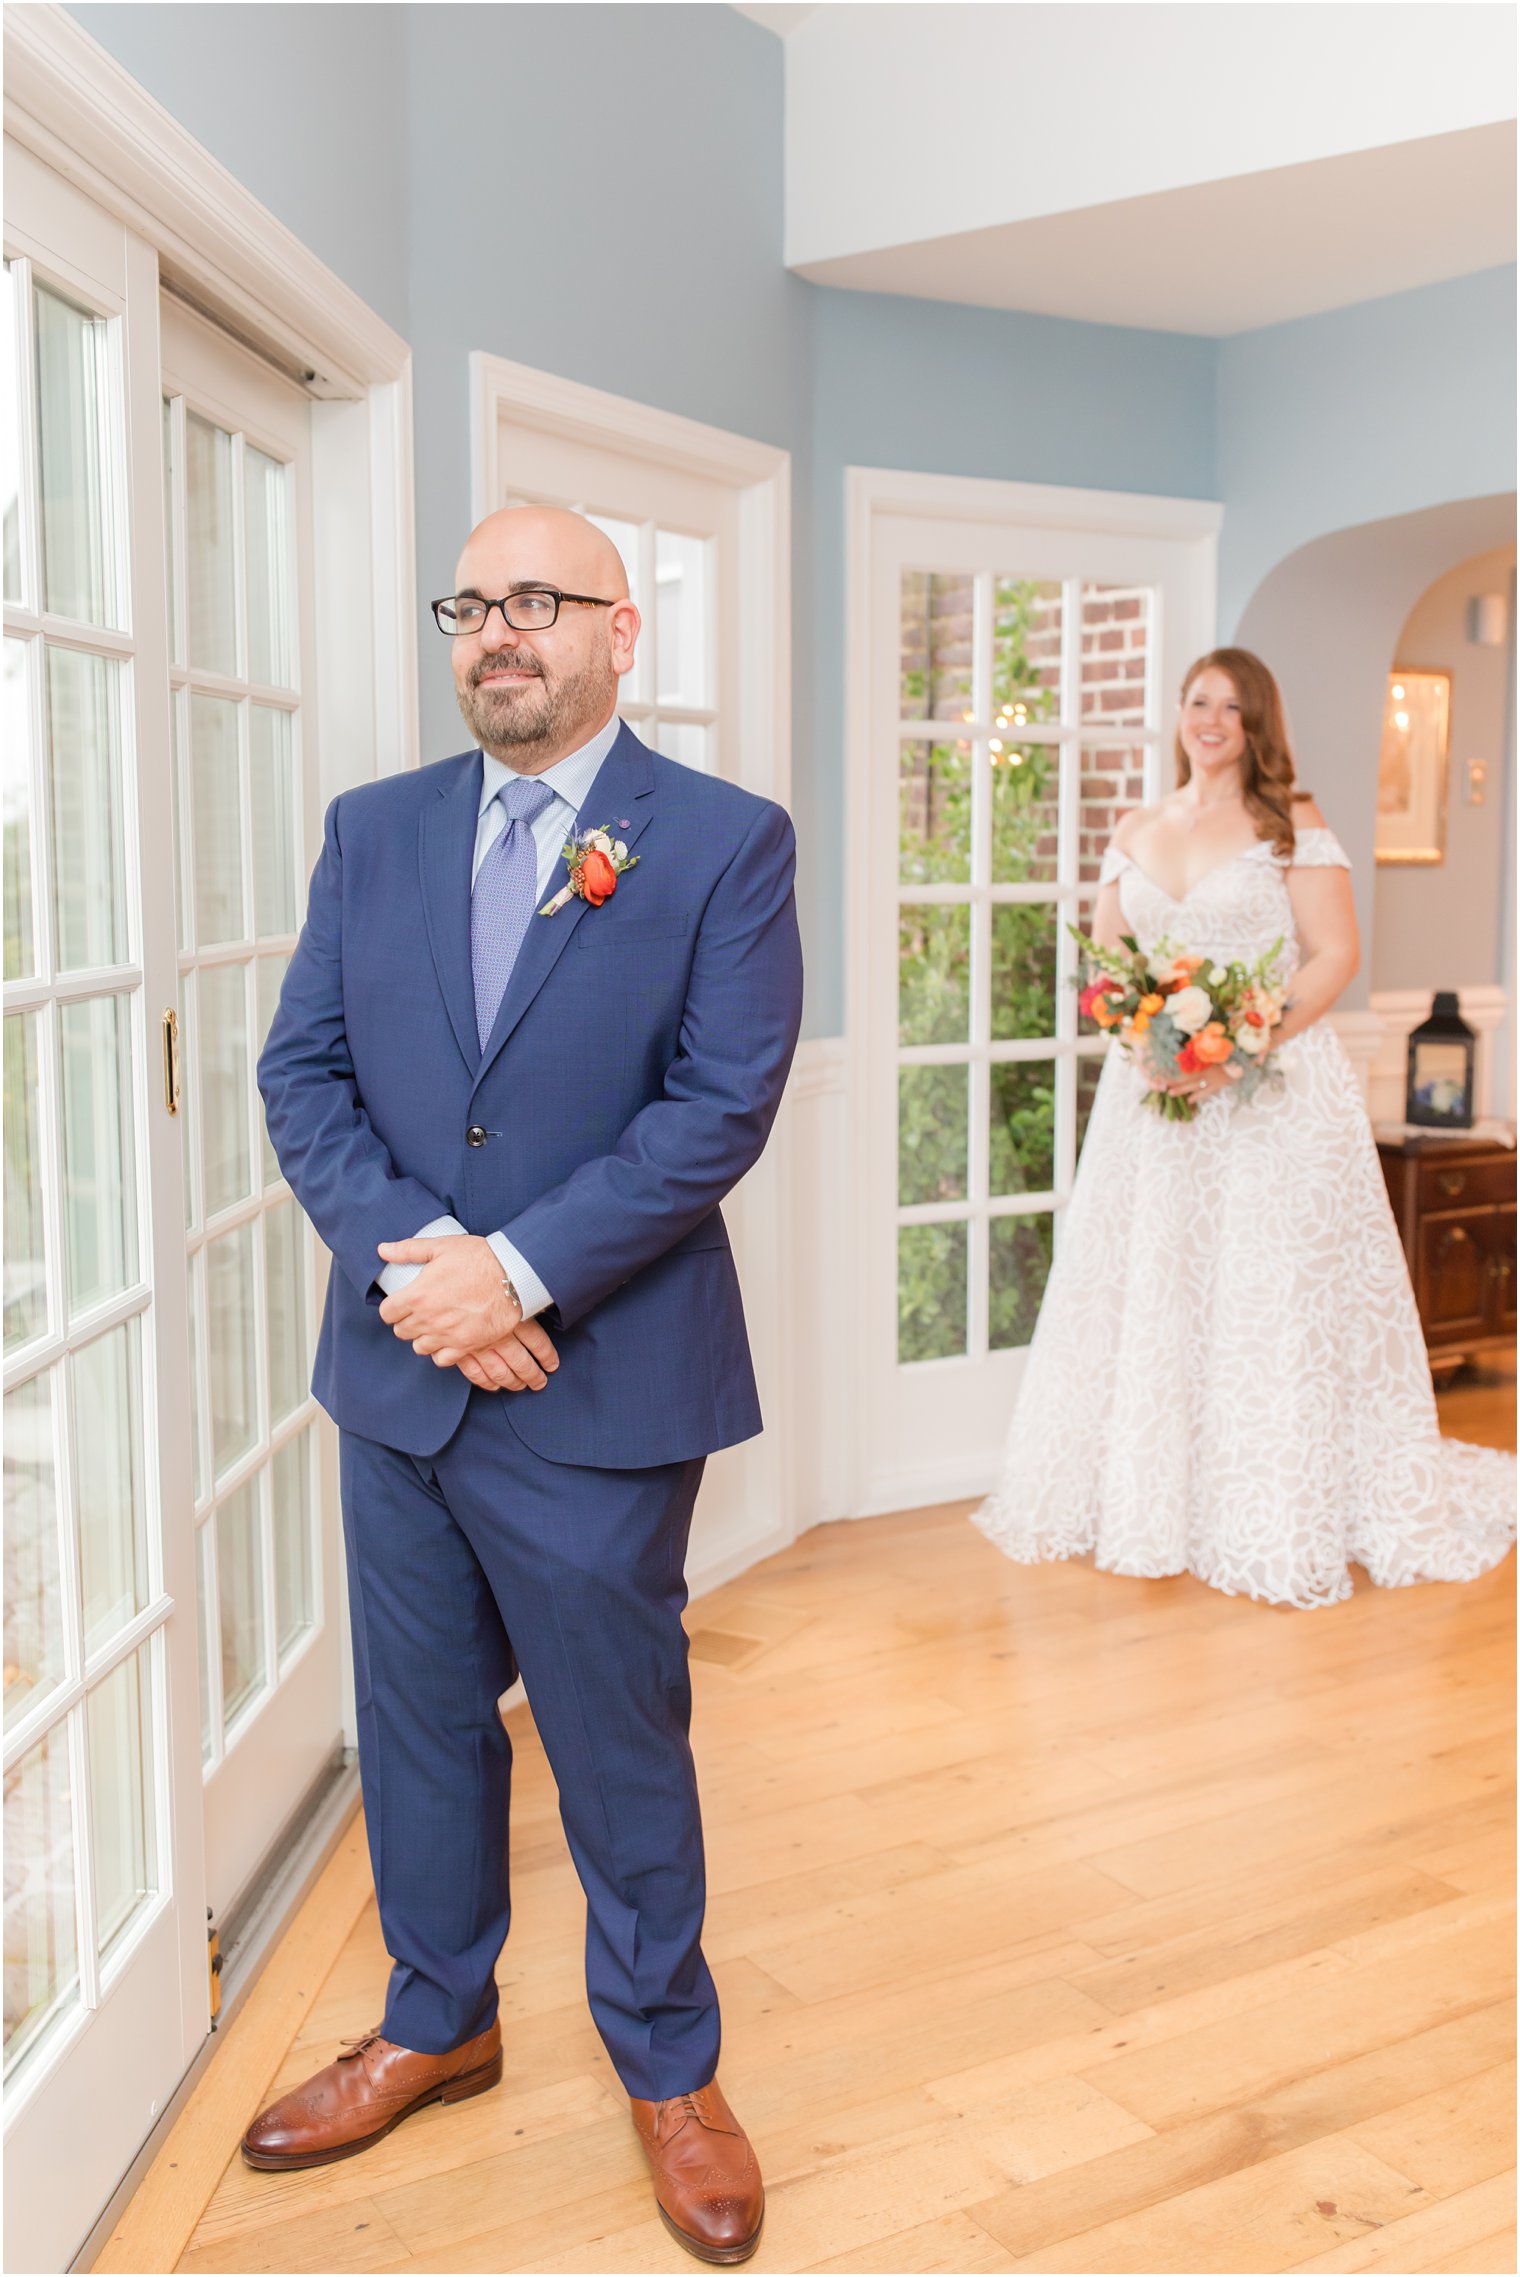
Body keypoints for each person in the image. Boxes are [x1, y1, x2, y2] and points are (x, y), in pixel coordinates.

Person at [250, 505, 801, 2264]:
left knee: (615, 1739)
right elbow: (303, 1072)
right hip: (406, 1374)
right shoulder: (374, 830)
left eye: (540, 601)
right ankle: (438, 2018)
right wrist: (434, 1273)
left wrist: (525, 1270)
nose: (501, 632)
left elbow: (718, 1105)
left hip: (604, 1380)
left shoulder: (721, 842)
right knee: (415, 1730)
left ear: (620, 633)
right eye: (475, 604)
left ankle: (668, 2064)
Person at [975, 647, 1515, 1610]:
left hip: (1270, 1098)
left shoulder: (1287, 825)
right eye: (1197, 701)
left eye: (1231, 705)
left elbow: (1336, 952)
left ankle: (1272, 1505)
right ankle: (1156, 1503)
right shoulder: (1137, 826)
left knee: (1266, 1297)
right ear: (1178, 714)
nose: (1210, 719)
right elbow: (1107, 963)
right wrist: (1144, 1035)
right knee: (1161, 1291)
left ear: (1257, 722)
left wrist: (1236, 1043)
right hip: (1156, 1105)